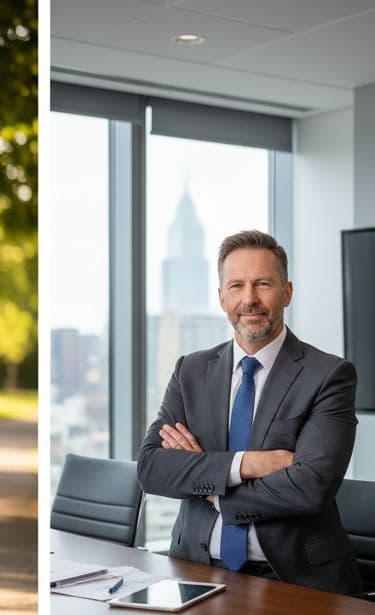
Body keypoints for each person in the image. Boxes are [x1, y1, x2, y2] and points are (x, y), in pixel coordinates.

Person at [137, 230, 362, 595]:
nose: (250, 299)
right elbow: (151, 469)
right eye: (237, 285)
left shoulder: (328, 376)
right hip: (193, 572)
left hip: (293, 581)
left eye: (263, 284)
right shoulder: (190, 371)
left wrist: (209, 485)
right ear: (221, 297)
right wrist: (247, 465)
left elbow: (310, 488)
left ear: (286, 292)